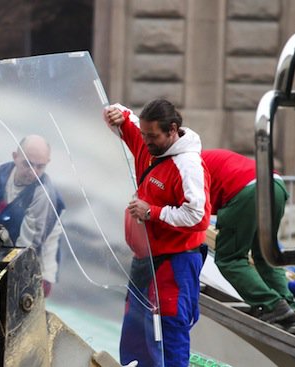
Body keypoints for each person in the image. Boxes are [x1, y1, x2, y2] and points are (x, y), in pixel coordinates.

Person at [104, 99, 210, 367]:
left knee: (169, 328)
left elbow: (198, 216)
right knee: (136, 329)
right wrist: (113, 112)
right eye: (143, 134)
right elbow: (123, 117)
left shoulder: (188, 166)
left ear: (172, 130)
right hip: (145, 259)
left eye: (152, 136)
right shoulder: (148, 146)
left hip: (175, 262)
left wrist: (152, 212)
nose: (146, 141)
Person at [201, 149, 295, 328]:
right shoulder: (201, 157)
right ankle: (288, 306)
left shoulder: (180, 168)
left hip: (246, 190)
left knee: (229, 258)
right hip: (275, 184)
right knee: (265, 255)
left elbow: (190, 217)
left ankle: (272, 305)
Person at [0, 135, 64, 297]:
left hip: (33, 269)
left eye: (40, 167)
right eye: (28, 164)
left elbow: (25, 250)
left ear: (47, 164)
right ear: (15, 157)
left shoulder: (44, 195)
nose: (33, 172)